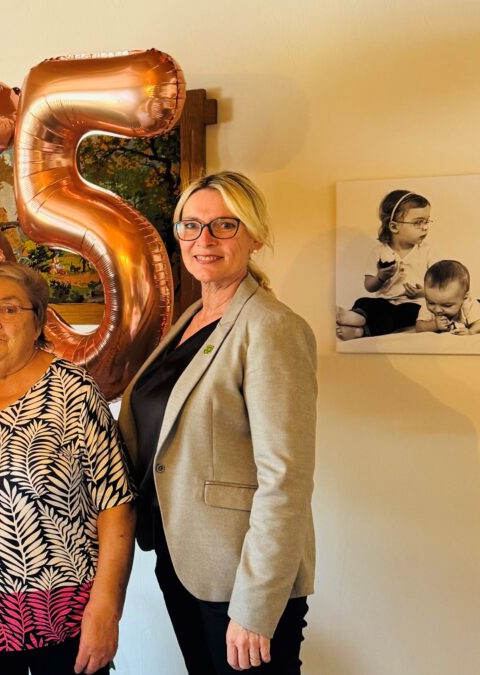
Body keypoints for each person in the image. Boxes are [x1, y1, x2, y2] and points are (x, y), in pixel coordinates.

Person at [118, 172, 317, 674]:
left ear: (254, 236)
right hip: (185, 562)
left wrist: (255, 607)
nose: (204, 240)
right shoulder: (193, 319)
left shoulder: (271, 328)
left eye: (223, 226)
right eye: (191, 225)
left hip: (240, 581)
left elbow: (285, 480)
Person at [0, 262, 136, 675]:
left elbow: (117, 507)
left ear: (38, 321)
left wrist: (107, 610)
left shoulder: (71, 391)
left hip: (65, 624)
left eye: (9, 310)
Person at [336, 190, 432, 340]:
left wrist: (422, 293)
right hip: (386, 301)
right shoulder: (379, 252)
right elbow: (369, 286)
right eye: (418, 222)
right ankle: (357, 317)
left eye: (427, 221)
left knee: (396, 316)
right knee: (365, 302)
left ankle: (359, 330)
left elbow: (440, 286)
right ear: (394, 227)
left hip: (414, 304)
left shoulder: (427, 251)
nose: (425, 227)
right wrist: (380, 277)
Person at [415, 259, 480, 335]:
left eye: (447, 305)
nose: (437, 309)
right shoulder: (428, 305)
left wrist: (471, 331)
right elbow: (419, 327)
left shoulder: (468, 304)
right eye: (431, 303)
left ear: (464, 297)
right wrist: (433, 325)